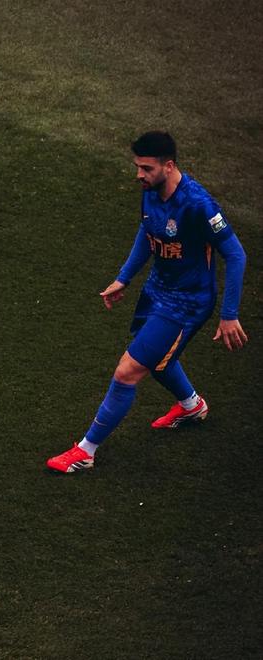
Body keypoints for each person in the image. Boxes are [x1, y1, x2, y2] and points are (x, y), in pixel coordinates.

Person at [47, 131, 247, 473]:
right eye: (137, 167)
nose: (139, 174)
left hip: (186, 303)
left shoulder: (198, 204)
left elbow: (236, 255)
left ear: (169, 166)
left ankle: (86, 451)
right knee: (158, 361)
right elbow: (147, 231)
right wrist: (124, 277)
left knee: (128, 370)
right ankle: (192, 406)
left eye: (146, 168)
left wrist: (229, 315)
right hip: (157, 291)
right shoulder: (151, 191)